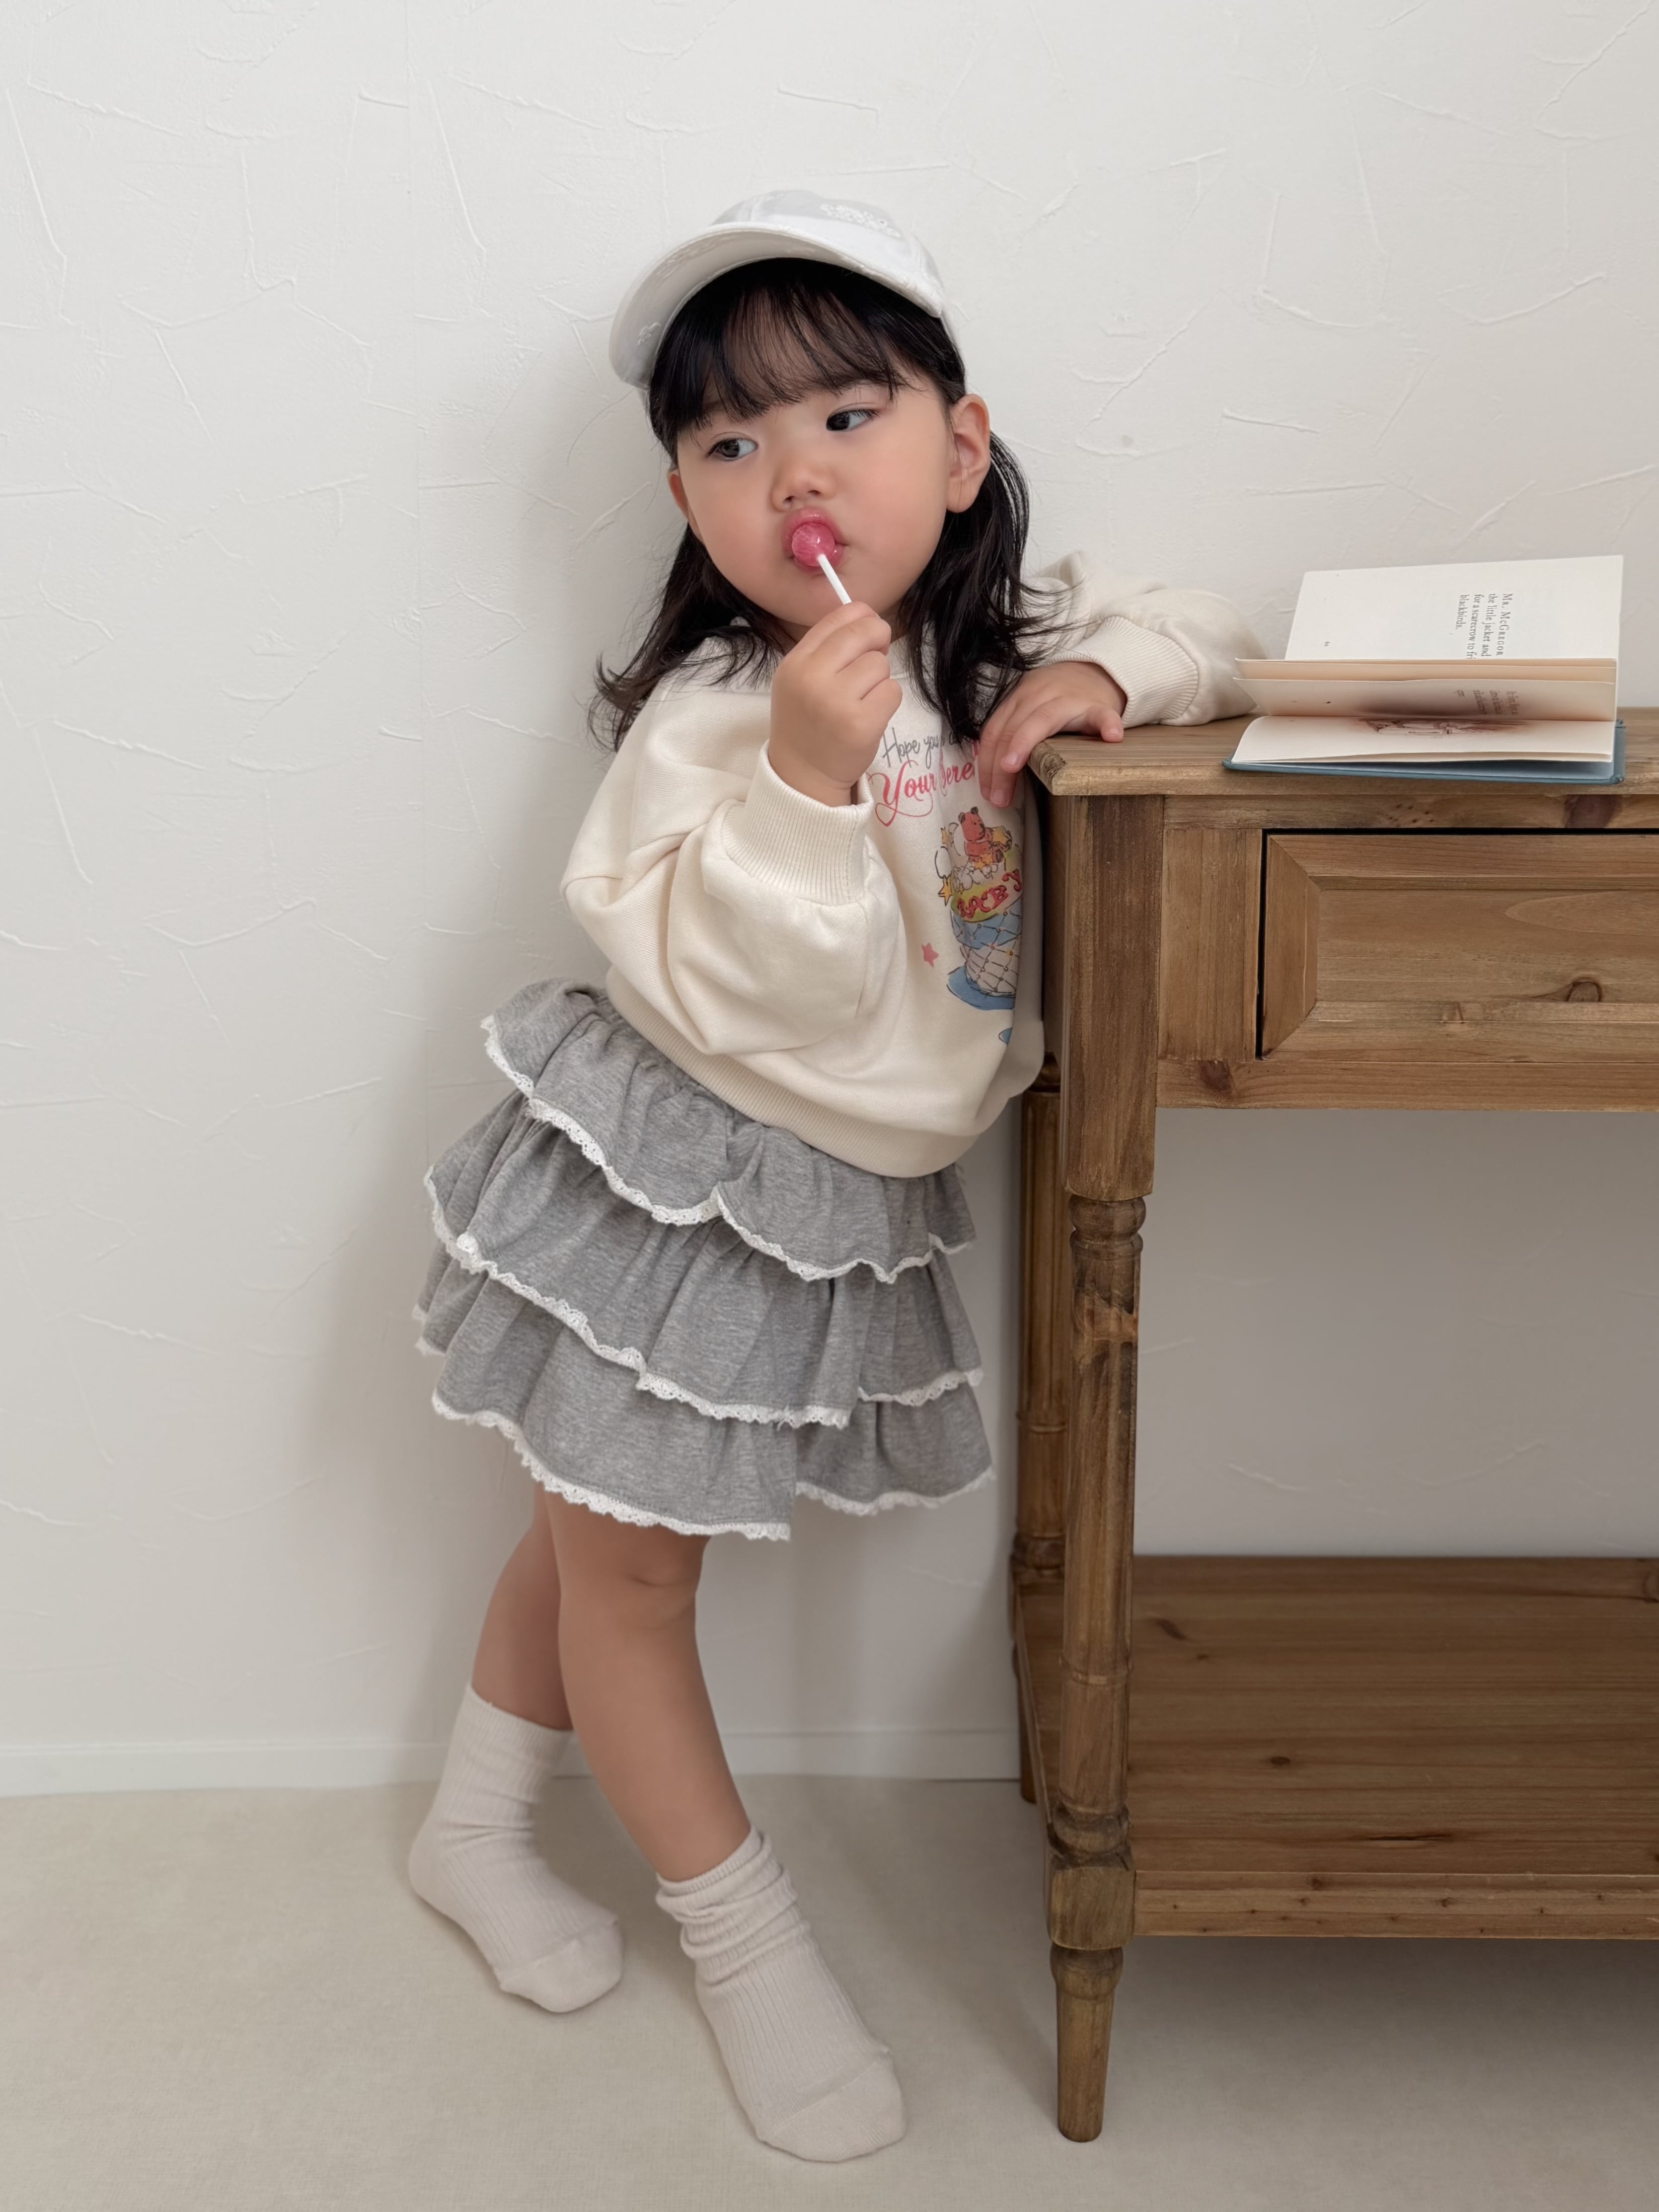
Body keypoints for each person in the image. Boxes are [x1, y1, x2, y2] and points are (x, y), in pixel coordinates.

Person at [409, 191, 1259, 2162]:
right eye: (729, 442)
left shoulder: (995, 648)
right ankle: (745, 1939)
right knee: (631, 1568)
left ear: (961, 448)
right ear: (688, 505)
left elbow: (1207, 623)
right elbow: (740, 983)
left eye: (845, 417)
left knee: (594, 1536)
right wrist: (803, 783)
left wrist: (1101, 680)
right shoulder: (725, 709)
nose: (791, 471)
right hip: (675, 1175)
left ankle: (470, 1825)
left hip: (828, 1203)